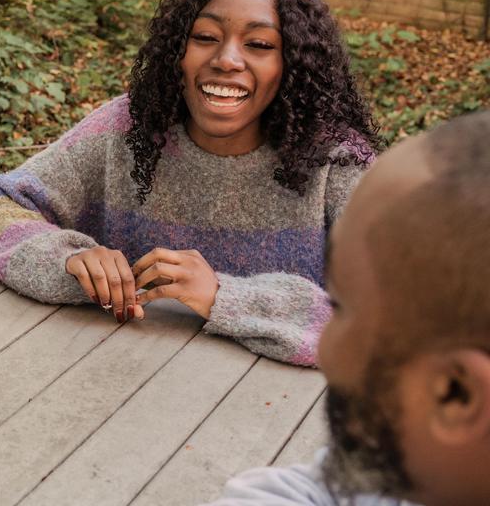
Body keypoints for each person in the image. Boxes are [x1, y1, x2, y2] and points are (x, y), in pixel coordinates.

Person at [0, 0, 380, 365]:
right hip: (114, 389)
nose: (227, 59)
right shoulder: (129, 127)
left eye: (260, 45)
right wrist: (67, 258)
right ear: (177, 50)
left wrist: (222, 296)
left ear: (291, 65)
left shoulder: (337, 162)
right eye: (205, 37)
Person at [210, 110, 490, 505]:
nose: (324, 345)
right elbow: (318, 488)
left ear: (456, 393)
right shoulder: (409, 471)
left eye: (339, 307)